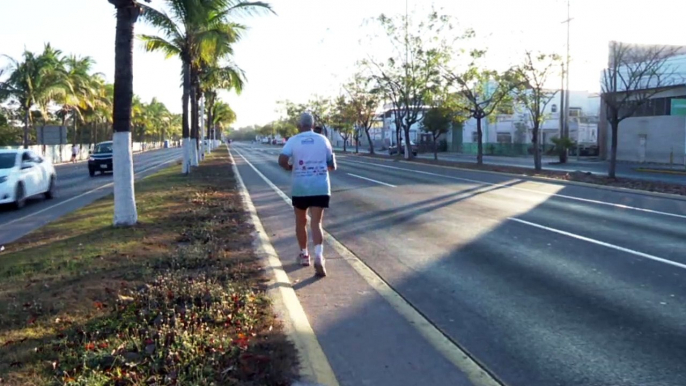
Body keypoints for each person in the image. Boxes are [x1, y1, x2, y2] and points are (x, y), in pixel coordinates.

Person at [278, 112, 336, 277]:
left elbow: (282, 160)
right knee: (316, 223)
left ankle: (304, 254)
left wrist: (290, 168)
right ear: (313, 124)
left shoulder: (293, 140)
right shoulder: (323, 140)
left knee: (301, 221)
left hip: (301, 187)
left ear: (299, 125)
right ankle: (319, 255)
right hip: (320, 187)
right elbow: (331, 164)